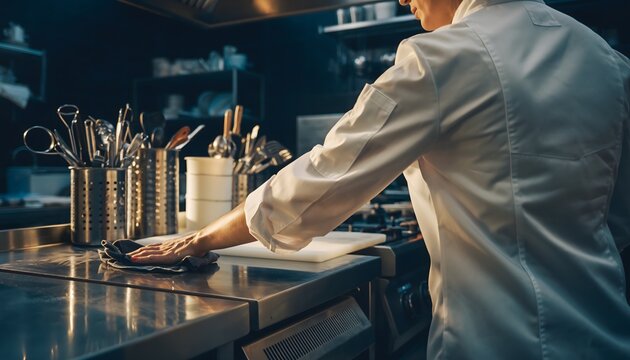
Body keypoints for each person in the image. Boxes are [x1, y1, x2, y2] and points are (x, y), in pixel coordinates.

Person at [131, 0, 630, 358]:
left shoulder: (444, 55)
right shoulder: (608, 62)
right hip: (604, 330)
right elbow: (618, 221)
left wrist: (202, 237)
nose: (403, 0)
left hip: (500, 340)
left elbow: (325, 176)